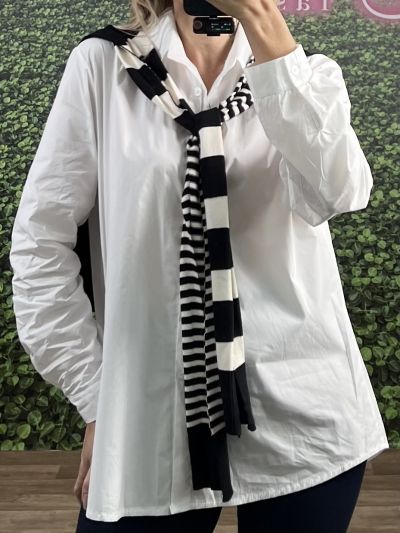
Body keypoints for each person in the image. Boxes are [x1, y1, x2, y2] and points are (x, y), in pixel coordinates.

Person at [9, 0, 389, 532]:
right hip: (151, 414)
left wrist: (264, 27)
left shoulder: (306, 74)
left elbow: (339, 193)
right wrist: (99, 400)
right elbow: (41, 243)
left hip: (305, 409)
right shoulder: (103, 66)